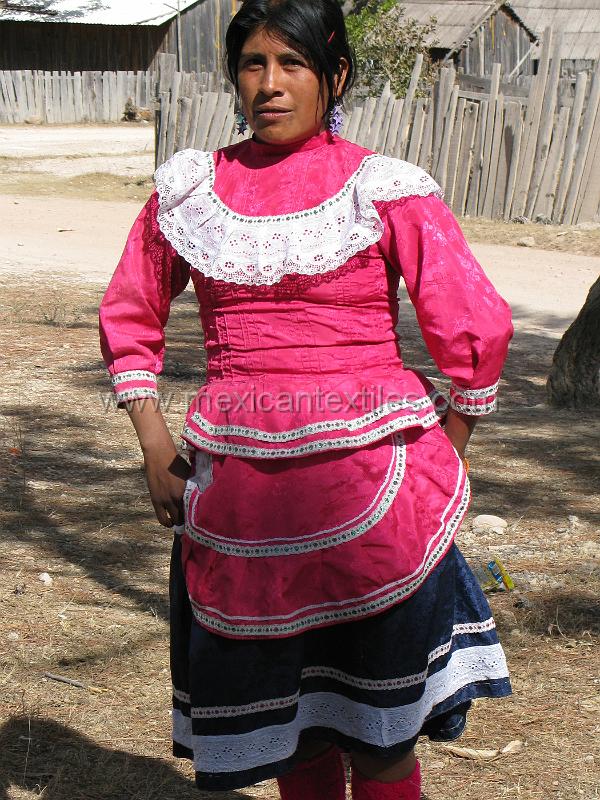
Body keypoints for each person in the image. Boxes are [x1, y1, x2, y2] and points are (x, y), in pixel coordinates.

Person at [98, 1, 514, 797]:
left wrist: (440, 453)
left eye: (292, 65)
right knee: (295, 738)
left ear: (337, 76)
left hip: (376, 501)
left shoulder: (385, 188)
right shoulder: (192, 191)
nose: (270, 84)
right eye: (253, 64)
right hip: (243, 505)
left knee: (383, 736)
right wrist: (155, 451)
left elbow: (475, 325)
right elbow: (130, 313)